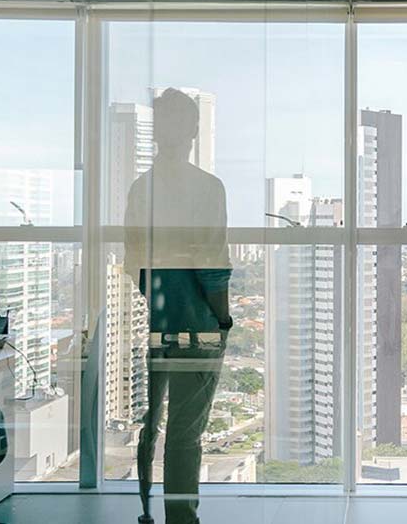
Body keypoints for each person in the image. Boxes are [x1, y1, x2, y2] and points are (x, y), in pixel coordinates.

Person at [125, 88, 233, 524]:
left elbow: (134, 259)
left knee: (152, 423)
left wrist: (157, 298)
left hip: (159, 319)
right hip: (200, 324)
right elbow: (213, 265)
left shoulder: (140, 188)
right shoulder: (207, 187)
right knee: (186, 434)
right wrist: (222, 317)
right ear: (192, 129)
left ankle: (146, 512)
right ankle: (181, 519)